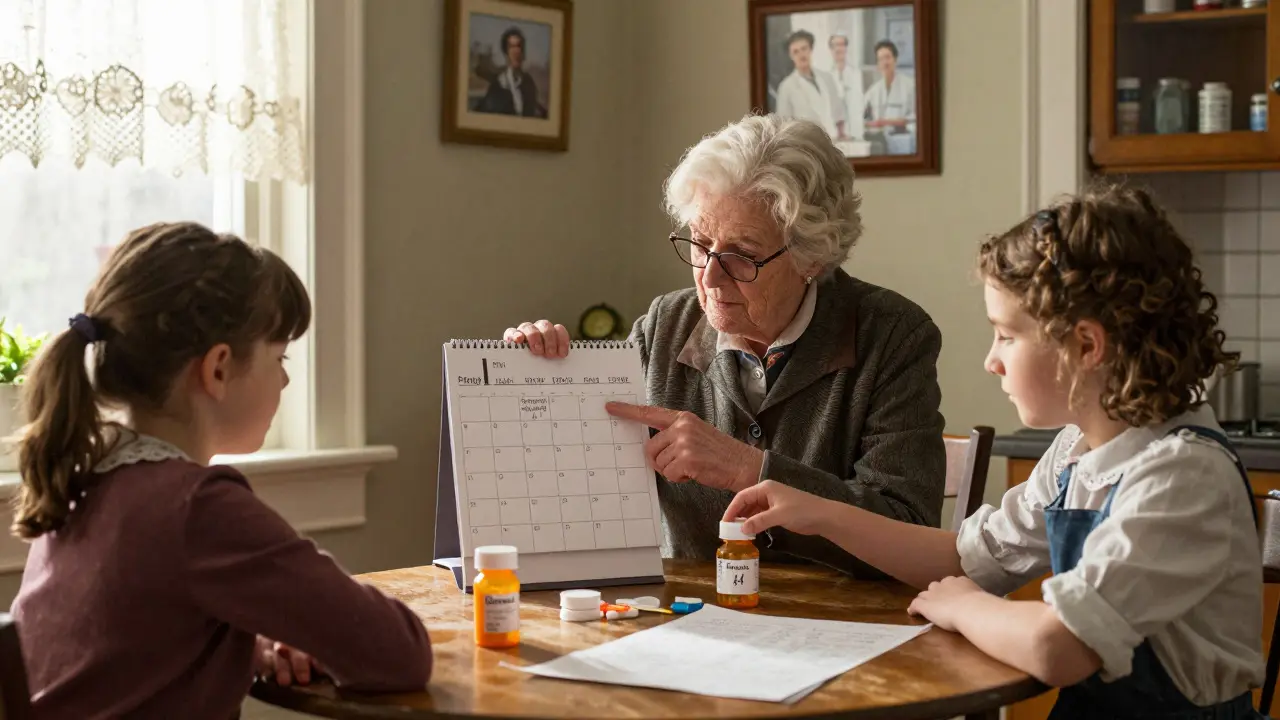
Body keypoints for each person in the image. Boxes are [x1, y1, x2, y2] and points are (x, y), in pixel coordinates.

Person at [724, 184, 1267, 718]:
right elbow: (966, 559)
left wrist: (965, 606)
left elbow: (1059, 646)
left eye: (1006, 335)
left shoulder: (1181, 475)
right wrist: (819, 512)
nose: (992, 361)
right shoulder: (1076, 452)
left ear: (1086, 345)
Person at [10, 223, 433, 717]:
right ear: (217, 369)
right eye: (279, 356)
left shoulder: (87, 475)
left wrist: (248, 638)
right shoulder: (197, 508)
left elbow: (133, 647)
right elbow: (398, 653)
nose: (286, 377)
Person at [504, 114, 946, 577]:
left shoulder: (891, 336)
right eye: (699, 243)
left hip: (843, 626)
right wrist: (534, 378)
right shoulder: (664, 326)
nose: (710, 277)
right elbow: (578, 468)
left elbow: (909, 528)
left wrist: (750, 469)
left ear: (812, 256)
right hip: (690, 621)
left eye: (742, 255)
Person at [774, 30, 847, 141]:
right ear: (791, 56)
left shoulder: (827, 78)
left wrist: (842, 135)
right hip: (806, 145)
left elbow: (838, 114)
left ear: (810, 49)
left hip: (834, 142)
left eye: (804, 49)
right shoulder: (786, 87)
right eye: (796, 52)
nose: (801, 55)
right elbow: (783, 127)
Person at [475, 26, 546, 118]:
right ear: (506, 53)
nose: (516, 51)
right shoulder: (498, 85)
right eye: (512, 47)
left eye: (519, 46)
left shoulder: (529, 83)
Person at [863, 40, 915, 133]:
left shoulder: (910, 85)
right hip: (880, 140)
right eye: (881, 59)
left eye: (888, 57)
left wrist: (886, 122)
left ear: (895, 60)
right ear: (878, 64)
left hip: (903, 138)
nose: (885, 62)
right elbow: (861, 115)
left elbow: (915, 117)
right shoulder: (873, 90)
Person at [828, 33, 865, 141]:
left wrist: (855, 131)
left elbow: (858, 104)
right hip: (834, 133)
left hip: (854, 130)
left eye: (842, 45)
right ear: (831, 49)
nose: (839, 48)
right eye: (836, 45)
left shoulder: (856, 74)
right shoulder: (827, 75)